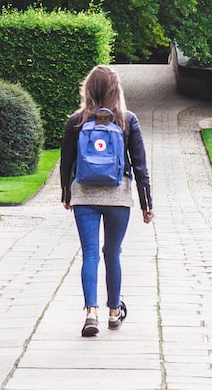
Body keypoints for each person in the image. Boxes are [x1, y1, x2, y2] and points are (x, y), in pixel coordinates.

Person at [60, 65, 154, 338]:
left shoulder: (77, 121)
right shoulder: (127, 120)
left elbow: (66, 163)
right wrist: (146, 203)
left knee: (89, 253)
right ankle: (114, 312)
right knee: (112, 253)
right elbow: (140, 166)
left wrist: (67, 194)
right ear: (116, 89)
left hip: (84, 195)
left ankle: (91, 312)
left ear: (88, 89)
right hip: (118, 197)